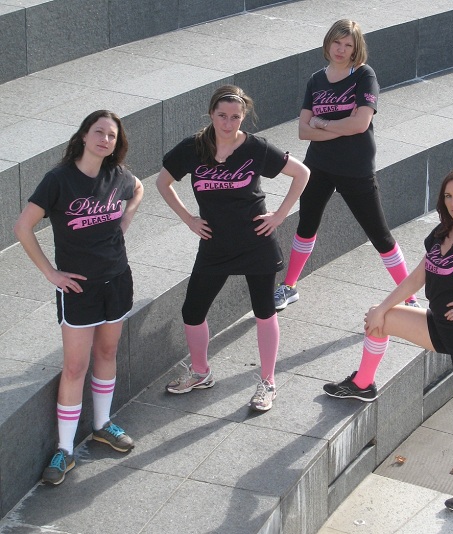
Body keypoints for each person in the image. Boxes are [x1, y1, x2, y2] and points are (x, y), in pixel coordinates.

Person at [323, 165, 453, 512]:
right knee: (379, 319)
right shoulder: (441, 233)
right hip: (439, 328)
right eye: (448, 195)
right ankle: (363, 384)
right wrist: (383, 307)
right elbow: (418, 277)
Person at [156, 85, 309, 411]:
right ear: (211, 114)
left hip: (256, 242)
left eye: (235, 117)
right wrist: (189, 219)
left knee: (264, 311)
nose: (228, 123)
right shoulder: (194, 148)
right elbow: (162, 182)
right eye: (222, 115)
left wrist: (279, 215)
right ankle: (201, 372)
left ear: (243, 117)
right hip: (214, 244)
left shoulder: (256, 148)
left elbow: (302, 173)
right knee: (192, 311)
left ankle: (268, 382)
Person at [14, 110, 144, 485]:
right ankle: (65, 449)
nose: (105, 139)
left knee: (107, 352)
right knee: (74, 367)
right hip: (78, 289)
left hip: (117, 280)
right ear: (84, 135)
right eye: (99, 132)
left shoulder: (118, 176)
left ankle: (102, 425)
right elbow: (22, 227)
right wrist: (51, 273)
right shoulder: (59, 179)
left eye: (112, 135)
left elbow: (138, 188)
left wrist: (125, 220)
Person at [274, 19, 418, 311]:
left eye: (347, 45)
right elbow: (303, 131)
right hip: (319, 165)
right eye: (336, 43)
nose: (340, 49)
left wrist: (323, 123)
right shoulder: (316, 79)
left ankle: (410, 298)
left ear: (356, 48)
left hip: (356, 168)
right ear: (328, 43)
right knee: (306, 226)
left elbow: (361, 124)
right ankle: (289, 286)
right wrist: (343, 125)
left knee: (380, 235)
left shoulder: (364, 75)